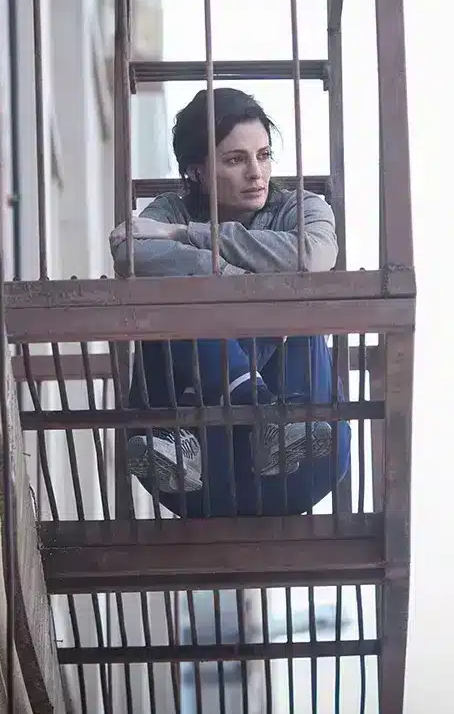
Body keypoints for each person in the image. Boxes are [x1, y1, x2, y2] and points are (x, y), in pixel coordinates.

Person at [108, 87, 350, 517]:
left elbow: (314, 254)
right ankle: (256, 409)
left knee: (297, 294)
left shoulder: (300, 208)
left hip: (306, 454)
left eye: (264, 155)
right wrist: (240, 277)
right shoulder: (169, 209)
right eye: (236, 160)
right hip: (192, 470)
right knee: (173, 290)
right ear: (197, 171)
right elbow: (130, 251)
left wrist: (188, 236)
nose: (256, 173)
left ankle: (273, 418)